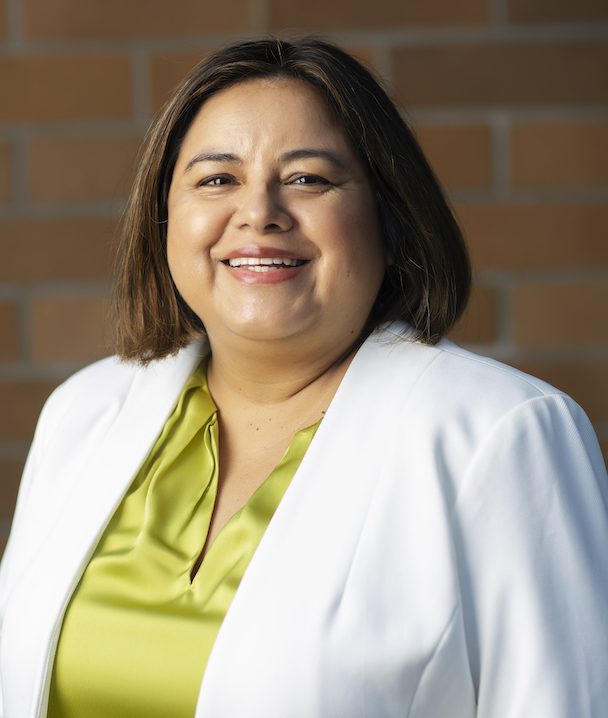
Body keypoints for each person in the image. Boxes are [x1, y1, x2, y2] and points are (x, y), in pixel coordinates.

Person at [0, 37, 607, 718]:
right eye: (217, 179)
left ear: (389, 215)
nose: (259, 213)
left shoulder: (501, 436)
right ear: (165, 217)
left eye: (308, 179)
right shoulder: (84, 413)